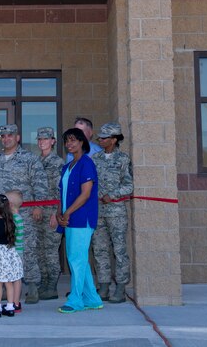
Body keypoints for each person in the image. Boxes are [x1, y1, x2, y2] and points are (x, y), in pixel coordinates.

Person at [0, 124, 47, 304]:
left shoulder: (29, 159)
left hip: (24, 214)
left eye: (10, 135)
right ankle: (6, 288)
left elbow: (40, 183)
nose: (6, 138)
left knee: (27, 250)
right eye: (3, 136)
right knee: (5, 253)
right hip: (2, 218)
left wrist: (38, 206)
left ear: (17, 137)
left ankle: (33, 286)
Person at [52, 128, 103, 314]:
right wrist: (59, 214)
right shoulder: (67, 167)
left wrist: (68, 213)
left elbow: (86, 194)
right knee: (79, 259)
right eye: (67, 141)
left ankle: (75, 301)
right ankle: (92, 299)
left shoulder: (86, 163)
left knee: (76, 259)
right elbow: (61, 194)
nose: (69, 144)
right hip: (68, 218)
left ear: (82, 141)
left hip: (82, 218)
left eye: (73, 140)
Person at [93, 122, 133, 303]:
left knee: (119, 250)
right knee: (100, 249)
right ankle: (103, 285)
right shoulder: (95, 159)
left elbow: (129, 185)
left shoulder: (123, 159)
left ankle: (121, 287)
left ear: (114, 139)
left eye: (104, 138)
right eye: (100, 137)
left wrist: (114, 195)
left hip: (116, 212)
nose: (100, 140)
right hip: (98, 212)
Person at [35, 126, 63, 300]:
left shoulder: (58, 163)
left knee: (51, 250)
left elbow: (61, 190)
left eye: (45, 139)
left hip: (52, 212)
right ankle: (43, 283)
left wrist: (56, 213)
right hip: (38, 213)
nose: (42, 142)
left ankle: (52, 286)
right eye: (39, 139)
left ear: (52, 141)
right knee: (40, 250)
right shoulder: (36, 162)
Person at [5, 190, 24, 312]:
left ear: (10, 205)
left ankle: (14, 303)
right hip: (17, 253)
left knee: (14, 279)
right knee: (15, 279)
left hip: (14, 253)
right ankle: (14, 302)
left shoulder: (14, 219)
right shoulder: (17, 217)